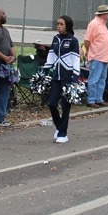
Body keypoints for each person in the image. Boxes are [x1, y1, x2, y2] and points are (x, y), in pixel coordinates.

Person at [44, 15, 80, 143]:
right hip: (56, 77)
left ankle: (63, 134)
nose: (58, 26)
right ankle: (60, 127)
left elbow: (76, 59)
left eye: (61, 24)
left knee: (65, 106)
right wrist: (44, 71)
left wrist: (75, 78)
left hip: (68, 77)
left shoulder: (73, 41)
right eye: (57, 24)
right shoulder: (56, 39)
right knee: (52, 103)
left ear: (68, 26)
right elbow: (51, 56)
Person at [84, 5, 108, 108]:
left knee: (102, 79)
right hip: (97, 56)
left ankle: (99, 99)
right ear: (104, 14)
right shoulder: (94, 24)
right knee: (94, 79)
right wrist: (89, 51)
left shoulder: (103, 24)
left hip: (104, 57)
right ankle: (91, 100)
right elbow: (87, 40)